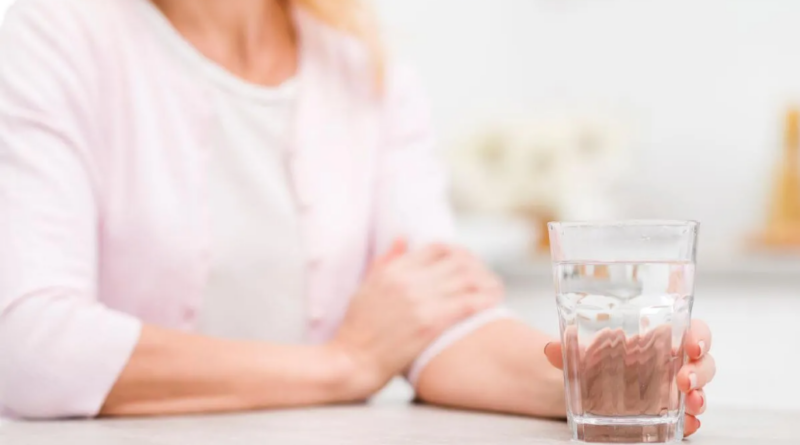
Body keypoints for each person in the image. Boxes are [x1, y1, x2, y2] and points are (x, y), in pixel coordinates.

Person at [0, 0, 715, 435]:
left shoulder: (359, 60)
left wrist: (590, 381)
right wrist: (343, 363)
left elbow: (439, 313)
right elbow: (27, 345)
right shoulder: (54, 32)